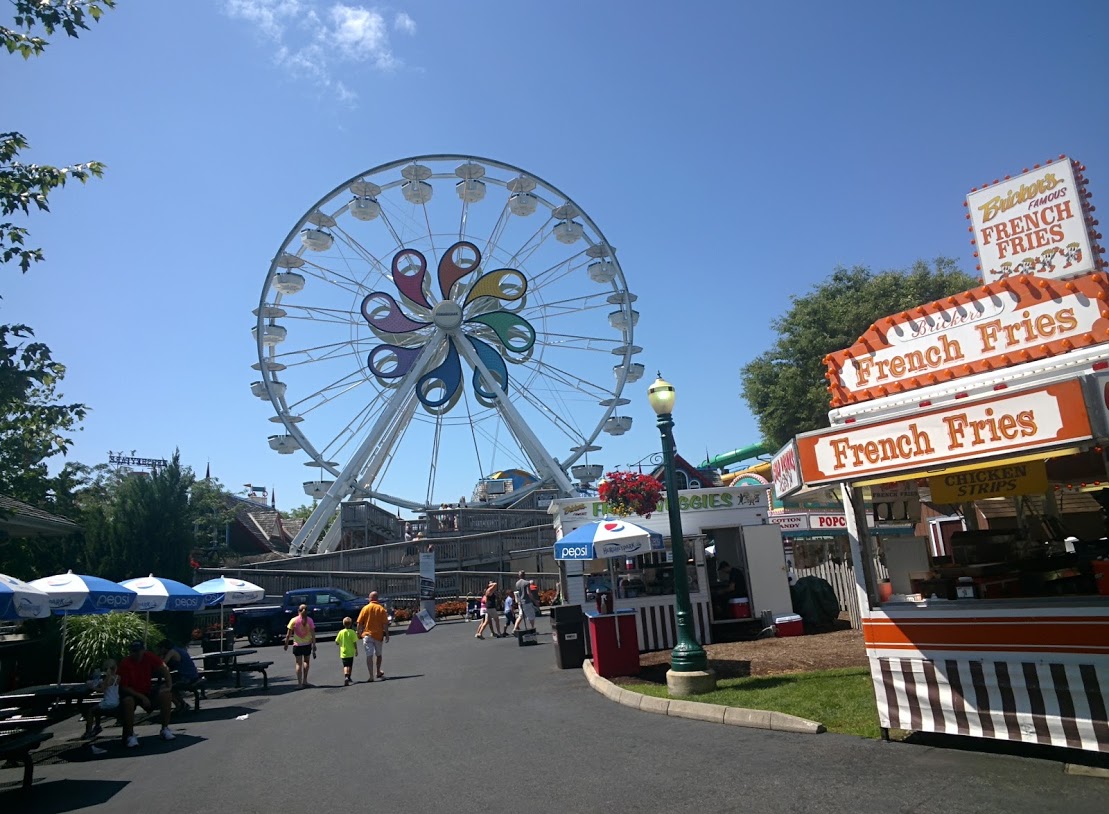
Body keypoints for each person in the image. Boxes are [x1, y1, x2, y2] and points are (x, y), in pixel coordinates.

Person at [117, 641, 175, 748]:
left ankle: (165, 729)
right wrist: (142, 697)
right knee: (128, 701)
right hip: (132, 693)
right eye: (134, 652)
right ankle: (130, 735)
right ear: (131, 652)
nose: (137, 654)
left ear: (143, 650)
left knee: (166, 695)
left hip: (147, 690)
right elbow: (124, 687)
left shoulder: (149, 656)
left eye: (139, 651)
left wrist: (169, 686)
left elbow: (164, 668)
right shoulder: (125, 663)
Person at [156, 639, 199, 713]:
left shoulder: (172, 652)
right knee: (169, 685)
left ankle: (180, 704)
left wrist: (160, 656)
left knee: (165, 687)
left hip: (187, 677)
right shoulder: (179, 649)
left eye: (160, 648)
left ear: (164, 647)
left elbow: (162, 663)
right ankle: (181, 704)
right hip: (192, 675)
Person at [356, 591, 390, 681]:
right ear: (377, 598)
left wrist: (358, 632)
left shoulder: (365, 608)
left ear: (370, 598)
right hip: (378, 635)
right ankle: (378, 671)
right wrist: (386, 634)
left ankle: (371, 676)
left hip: (367, 635)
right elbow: (385, 623)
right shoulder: (381, 609)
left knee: (369, 655)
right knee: (378, 654)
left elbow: (359, 622)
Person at [82, 658, 119, 740]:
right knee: (97, 707)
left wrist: (93, 688)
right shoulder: (117, 677)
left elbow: (102, 689)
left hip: (108, 703)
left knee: (91, 710)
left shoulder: (108, 678)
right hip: (116, 701)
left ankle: (88, 731)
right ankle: (97, 726)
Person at [284, 603, 317, 688]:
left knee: (298, 664)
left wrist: (286, 643)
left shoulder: (293, 620)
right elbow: (313, 634)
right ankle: (305, 680)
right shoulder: (310, 620)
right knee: (306, 662)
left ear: (298, 611)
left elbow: (288, 634)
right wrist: (314, 645)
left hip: (297, 645)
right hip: (307, 644)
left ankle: (299, 683)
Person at [335, 616, 359, 686]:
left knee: (345, 665)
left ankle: (346, 676)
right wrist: (356, 650)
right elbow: (354, 642)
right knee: (350, 665)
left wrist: (339, 643)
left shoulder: (341, 632)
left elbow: (337, 641)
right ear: (350, 624)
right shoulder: (352, 632)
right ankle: (349, 676)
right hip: (350, 652)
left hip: (343, 652)